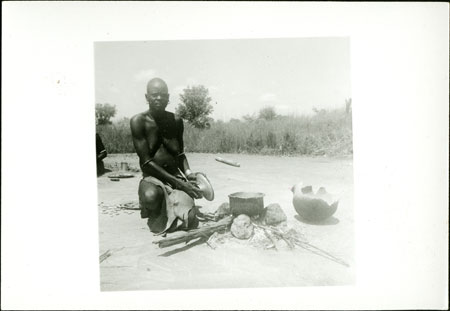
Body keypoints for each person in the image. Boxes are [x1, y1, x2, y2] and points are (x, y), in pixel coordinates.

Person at [130, 78, 203, 234]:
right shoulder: (138, 121)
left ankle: (170, 201)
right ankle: (150, 204)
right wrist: (180, 184)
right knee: (151, 197)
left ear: (168, 98)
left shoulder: (176, 121)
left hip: (176, 177)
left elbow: (180, 154)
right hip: (152, 179)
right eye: (154, 94)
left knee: (190, 221)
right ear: (146, 97)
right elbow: (146, 161)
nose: (159, 98)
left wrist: (189, 175)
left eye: (163, 95)